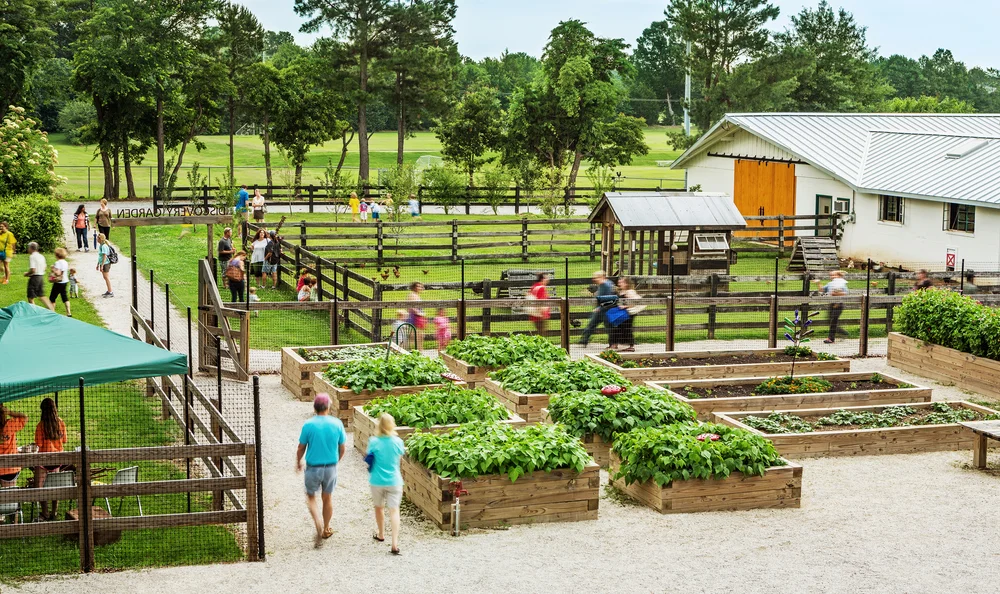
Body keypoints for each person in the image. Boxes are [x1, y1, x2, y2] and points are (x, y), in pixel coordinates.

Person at [296, 393, 347, 547]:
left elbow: (301, 447)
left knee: (311, 496)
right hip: (330, 467)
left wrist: (298, 461)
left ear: (315, 407)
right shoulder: (337, 423)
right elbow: (342, 447)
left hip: (313, 467)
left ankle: (317, 521)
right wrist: (336, 460)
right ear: (328, 407)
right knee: (327, 497)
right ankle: (326, 528)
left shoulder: (308, 425)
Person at [367, 413, 405, 555]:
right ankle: (394, 543)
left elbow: (369, 457)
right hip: (394, 480)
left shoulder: (374, 441)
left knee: (379, 508)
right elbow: (399, 458)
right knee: (394, 510)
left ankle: (381, 534)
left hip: (376, 480)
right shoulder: (398, 442)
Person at [32, 398, 67, 520]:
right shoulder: (61, 422)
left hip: (44, 460)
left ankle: (45, 512)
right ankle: (54, 512)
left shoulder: (40, 426)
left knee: (39, 487)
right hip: (57, 461)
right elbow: (64, 440)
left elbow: (39, 445)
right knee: (55, 486)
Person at [579, 271, 617, 347]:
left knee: (609, 327)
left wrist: (599, 307)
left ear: (602, 277)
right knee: (592, 325)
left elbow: (609, 299)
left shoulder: (606, 285)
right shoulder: (603, 284)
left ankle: (613, 344)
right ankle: (583, 341)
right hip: (601, 310)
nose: (594, 279)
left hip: (606, 310)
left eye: (596, 277)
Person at [815, 270, 849, 344]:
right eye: (831, 275)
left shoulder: (842, 284)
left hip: (838, 304)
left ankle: (831, 339)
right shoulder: (830, 284)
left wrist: (836, 293)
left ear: (839, 276)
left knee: (833, 321)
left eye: (834, 275)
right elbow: (822, 290)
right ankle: (843, 333)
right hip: (831, 304)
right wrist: (818, 283)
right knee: (830, 320)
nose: (832, 277)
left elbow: (845, 293)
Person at [612, 277, 644, 352]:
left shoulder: (630, 292)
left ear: (626, 283)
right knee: (619, 327)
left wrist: (625, 306)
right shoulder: (621, 291)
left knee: (627, 329)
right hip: (623, 313)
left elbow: (635, 301)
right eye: (619, 282)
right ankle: (615, 344)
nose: (619, 284)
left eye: (621, 282)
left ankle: (631, 346)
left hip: (629, 313)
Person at [0, 404, 28, 487]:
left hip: (5, 469)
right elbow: (24, 417)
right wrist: (10, 412)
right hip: (11, 469)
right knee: (10, 497)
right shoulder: (10, 424)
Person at [25, 242, 50, 307]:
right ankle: (52, 310)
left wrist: (27, 274)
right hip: (41, 277)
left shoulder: (32, 256)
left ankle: (34, 312)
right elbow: (45, 267)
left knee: (30, 297)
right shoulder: (41, 256)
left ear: (31, 248)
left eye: (28, 248)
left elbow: (33, 270)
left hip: (34, 277)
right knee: (41, 295)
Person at [48, 247, 71, 317]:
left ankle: (52, 312)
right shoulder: (66, 262)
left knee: (52, 297)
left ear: (57, 255)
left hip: (58, 282)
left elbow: (58, 273)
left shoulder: (57, 262)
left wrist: (53, 269)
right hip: (65, 281)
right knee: (65, 297)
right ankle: (68, 312)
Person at [407, 282, 426, 350]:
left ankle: (420, 350)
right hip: (414, 317)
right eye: (419, 286)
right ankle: (418, 350)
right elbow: (411, 307)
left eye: (421, 287)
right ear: (415, 287)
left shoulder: (416, 295)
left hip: (419, 317)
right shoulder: (412, 295)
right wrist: (419, 313)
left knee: (420, 335)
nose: (421, 288)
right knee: (416, 335)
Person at [96, 233, 113, 298]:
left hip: (106, 263)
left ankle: (110, 291)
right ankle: (109, 290)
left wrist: (102, 265)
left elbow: (104, 256)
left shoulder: (104, 246)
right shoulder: (101, 246)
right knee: (105, 277)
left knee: (106, 277)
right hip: (102, 263)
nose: (97, 239)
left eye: (98, 238)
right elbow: (100, 256)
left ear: (100, 239)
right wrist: (98, 264)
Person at [0, 221, 15, 285]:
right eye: (0, 226)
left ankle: (7, 279)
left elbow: (13, 243)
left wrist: (14, 252)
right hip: (0, 252)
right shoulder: (0, 233)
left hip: (7, 252)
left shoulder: (9, 234)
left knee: (6, 266)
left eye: (2, 226)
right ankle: (7, 273)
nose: (0, 227)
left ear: (6, 227)